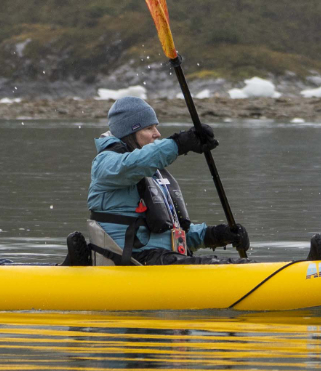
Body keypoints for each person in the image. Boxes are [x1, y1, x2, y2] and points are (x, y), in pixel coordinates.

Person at [83, 95, 241, 262]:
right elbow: (133, 164)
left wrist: (214, 235)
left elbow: (171, 234)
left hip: (161, 258)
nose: (157, 134)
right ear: (129, 133)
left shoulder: (154, 173)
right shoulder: (106, 163)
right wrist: (179, 144)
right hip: (133, 260)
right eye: (149, 128)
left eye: (156, 127)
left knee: (227, 263)